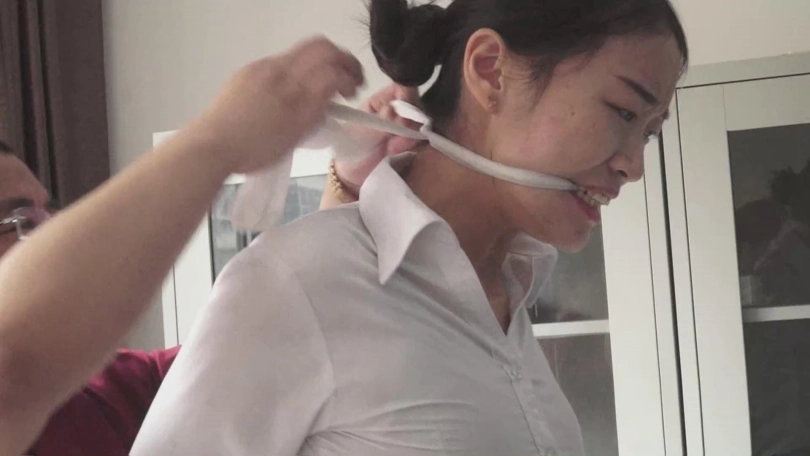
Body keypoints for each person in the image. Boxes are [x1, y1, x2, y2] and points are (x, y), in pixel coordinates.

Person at [132, 0, 688, 455]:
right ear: (490, 71)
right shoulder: (293, 284)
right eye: (623, 112)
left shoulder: (509, 296)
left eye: (649, 132)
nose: (634, 166)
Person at [0, 36, 365, 456]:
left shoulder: (108, 389)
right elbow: (13, 367)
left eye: (48, 212)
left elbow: (252, 353)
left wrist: (346, 184)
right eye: (20, 220)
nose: (51, 234)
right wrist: (221, 138)